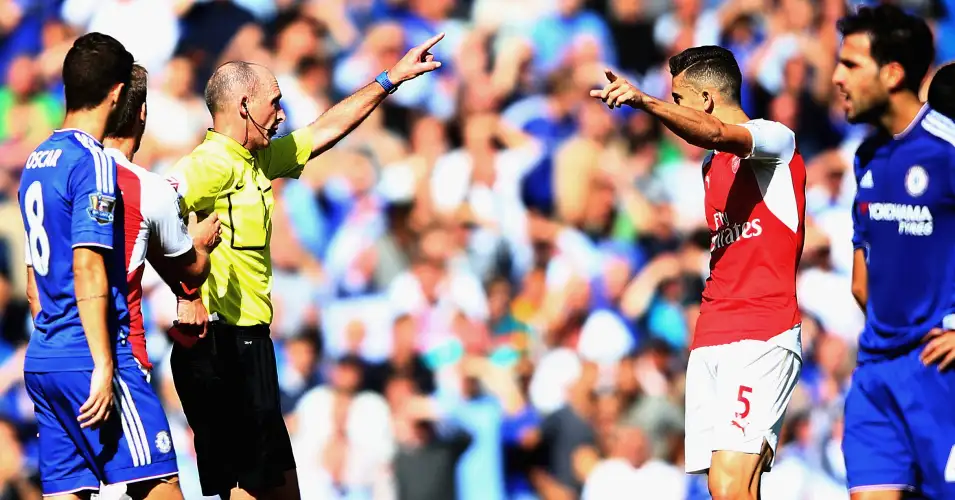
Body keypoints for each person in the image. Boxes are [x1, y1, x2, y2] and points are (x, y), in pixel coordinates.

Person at [165, 33, 445, 500]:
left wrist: (389, 79)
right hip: (224, 343)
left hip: (251, 344)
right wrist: (186, 288)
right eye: (275, 103)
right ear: (244, 105)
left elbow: (325, 130)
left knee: (279, 488)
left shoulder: (254, 160)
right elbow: (149, 210)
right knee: (248, 489)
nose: (282, 113)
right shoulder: (210, 163)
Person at [592, 45, 806, 499]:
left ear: (706, 99)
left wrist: (645, 101)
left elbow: (714, 132)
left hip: (762, 331)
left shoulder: (774, 141)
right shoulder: (711, 167)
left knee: (731, 486)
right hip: (712, 332)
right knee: (725, 487)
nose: (674, 111)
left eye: (678, 99)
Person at [18, 33, 183, 500]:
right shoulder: (93, 164)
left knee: (68, 491)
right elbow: (88, 265)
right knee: (160, 479)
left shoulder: (37, 159)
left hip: (45, 354)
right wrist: (103, 362)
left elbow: (34, 280)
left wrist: (55, 340)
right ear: (116, 94)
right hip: (89, 351)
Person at [833, 5, 955, 499]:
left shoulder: (948, 149)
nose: (837, 77)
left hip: (940, 373)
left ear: (893, 73)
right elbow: (861, 280)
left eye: (851, 65)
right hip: (875, 376)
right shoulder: (866, 157)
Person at [100, 63, 222, 373]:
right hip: (118, 347)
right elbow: (192, 269)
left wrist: (184, 293)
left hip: (53, 344)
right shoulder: (149, 187)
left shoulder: (60, 169)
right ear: (142, 114)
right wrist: (202, 243)